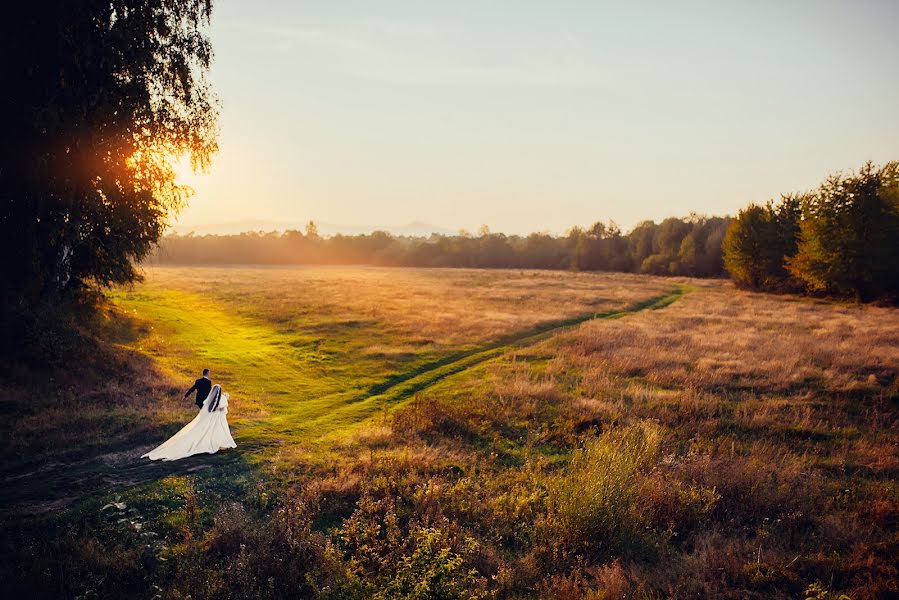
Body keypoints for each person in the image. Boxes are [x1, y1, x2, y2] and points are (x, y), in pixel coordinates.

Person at [142, 384, 236, 461]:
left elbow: (210, 407)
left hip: (211, 419)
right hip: (216, 420)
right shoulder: (221, 401)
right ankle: (218, 444)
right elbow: (224, 410)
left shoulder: (210, 401)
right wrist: (225, 398)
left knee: (206, 431)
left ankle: (218, 444)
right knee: (215, 431)